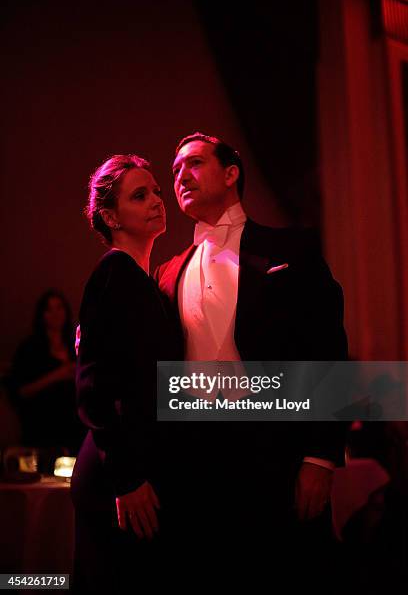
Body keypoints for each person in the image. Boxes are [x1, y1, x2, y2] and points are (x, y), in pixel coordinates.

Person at [154, 132, 349, 588]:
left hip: (276, 450)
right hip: (194, 461)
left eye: (195, 163)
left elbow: (328, 350)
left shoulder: (292, 251)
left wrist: (320, 457)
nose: (181, 175)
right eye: (175, 170)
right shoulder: (166, 272)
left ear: (230, 173)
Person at [70, 154, 183, 592]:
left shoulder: (143, 282)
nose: (158, 199)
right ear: (110, 216)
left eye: (156, 190)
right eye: (141, 195)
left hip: (128, 467)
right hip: (115, 473)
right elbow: (94, 388)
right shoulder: (114, 273)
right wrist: (127, 476)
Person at [6, 290, 83, 466]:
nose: (55, 313)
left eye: (59, 307)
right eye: (49, 309)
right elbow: (21, 391)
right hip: (42, 422)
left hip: (73, 422)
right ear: (42, 315)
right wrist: (58, 374)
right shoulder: (30, 349)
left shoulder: (75, 346)